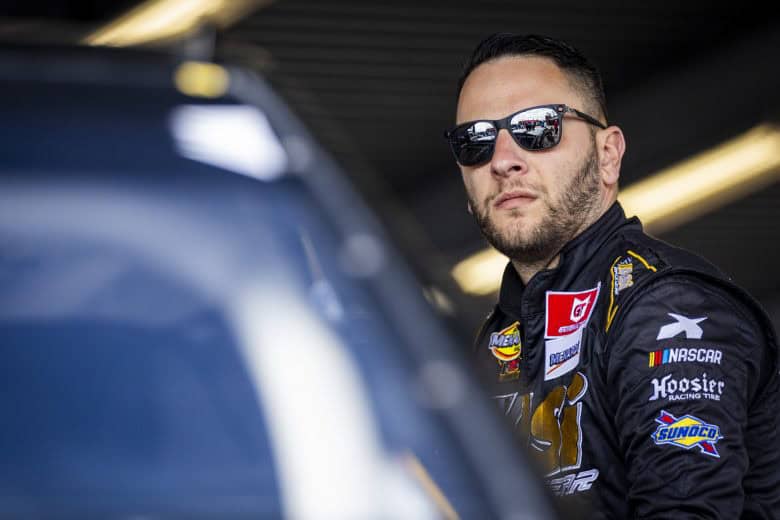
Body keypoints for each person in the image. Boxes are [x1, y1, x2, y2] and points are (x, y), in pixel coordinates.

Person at [444, 33, 780, 519]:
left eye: (538, 128)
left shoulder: (668, 307)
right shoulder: (497, 339)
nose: (501, 160)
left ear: (607, 155)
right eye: (474, 141)